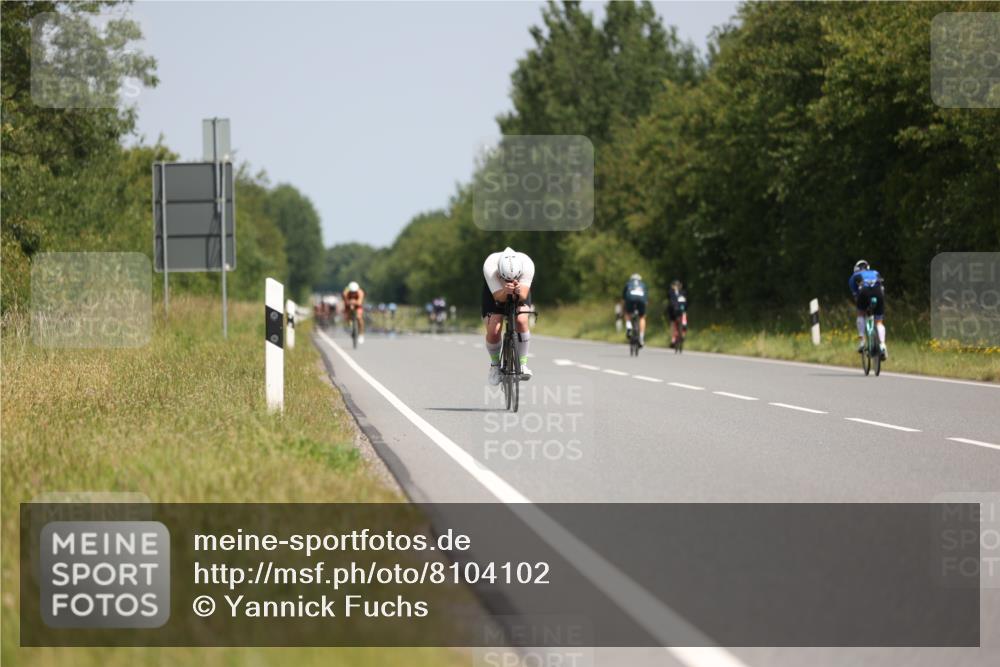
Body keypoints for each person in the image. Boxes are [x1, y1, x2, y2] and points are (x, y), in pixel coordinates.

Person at [482, 246, 535, 384]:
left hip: (520, 288)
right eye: (506, 278)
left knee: (522, 320)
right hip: (495, 291)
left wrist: (517, 291)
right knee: (494, 328)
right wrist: (505, 291)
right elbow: (498, 298)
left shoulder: (527, 264)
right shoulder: (490, 266)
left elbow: (523, 295)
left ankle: (522, 364)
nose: (509, 280)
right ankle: (495, 366)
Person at [849, 259, 887, 359]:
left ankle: (862, 341)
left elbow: (856, 296)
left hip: (864, 291)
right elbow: (882, 288)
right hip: (878, 292)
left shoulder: (854, 276)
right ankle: (882, 345)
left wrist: (861, 305)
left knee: (860, 313)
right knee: (879, 322)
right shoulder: (875, 272)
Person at [622, 273, 648, 348]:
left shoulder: (628, 284)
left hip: (630, 299)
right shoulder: (643, 284)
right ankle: (641, 338)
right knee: (642, 317)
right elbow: (646, 300)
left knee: (627, 313)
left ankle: (629, 326)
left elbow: (624, 298)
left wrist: (624, 308)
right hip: (641, 300)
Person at [666, 280, 688, 348]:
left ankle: (673, 339)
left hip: (675, 311)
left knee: (673, 323)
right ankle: (681, 336)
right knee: (683, 323)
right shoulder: (683, 292)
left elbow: (669, 298)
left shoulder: (671, 292)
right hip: (682, 311)